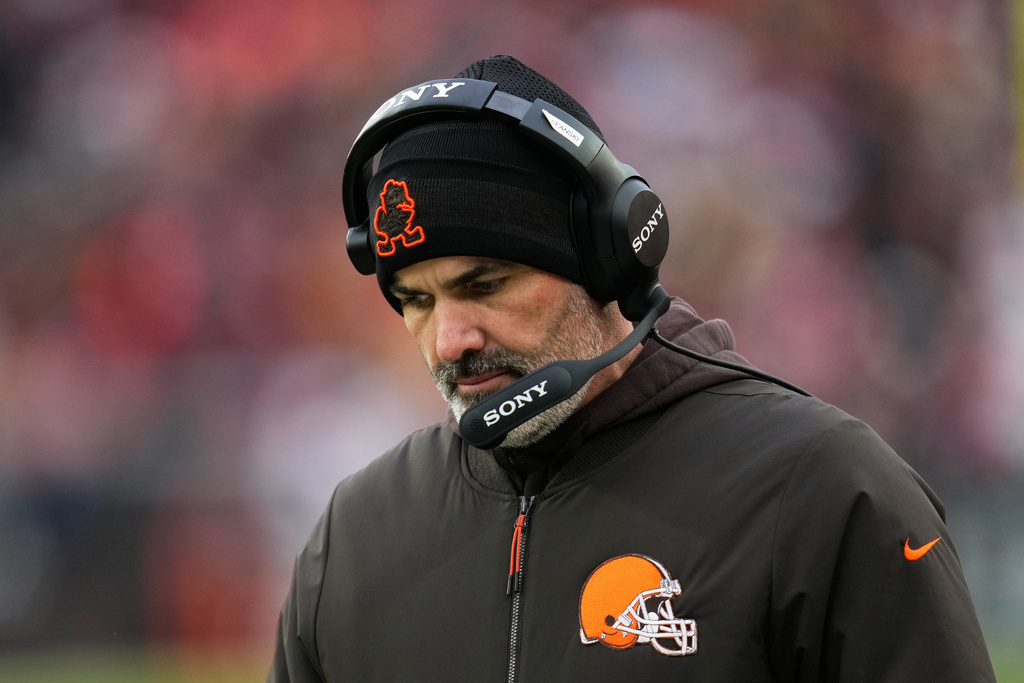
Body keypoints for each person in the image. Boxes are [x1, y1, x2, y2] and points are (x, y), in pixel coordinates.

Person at [267, 55, 995, 682]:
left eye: (484, 285)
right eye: (414, 300)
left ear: (606, 259)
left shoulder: (822, 489)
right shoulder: (356, 539)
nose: (449, 338)